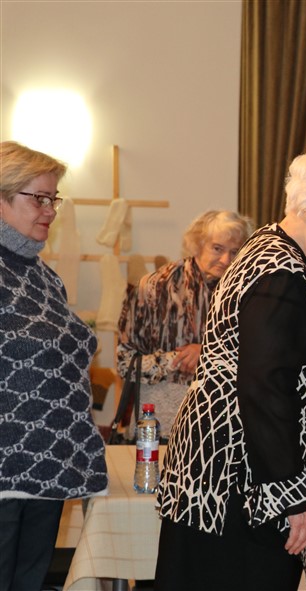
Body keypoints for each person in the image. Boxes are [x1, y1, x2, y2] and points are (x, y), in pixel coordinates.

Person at [155, 143, 306, 591]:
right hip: (240, 486)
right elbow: (264, 388)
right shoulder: (279, 274)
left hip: (237, 478)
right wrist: (295, 498)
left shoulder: (276, 252)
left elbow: (278, 361)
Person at [0, 141, 108, 590]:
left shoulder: (44, 276)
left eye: (53, 199)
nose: (50, 211)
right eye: (38, 198)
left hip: (49, 466)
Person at [116, 209, 253, 439]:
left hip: (222, 429)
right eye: (217, 248)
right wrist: (176, 359)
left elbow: (258, 360)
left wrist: (206, 354)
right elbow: (125, 363)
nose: (226, 260)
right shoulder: (154, 287)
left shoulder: (247, 293)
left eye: (234, 251)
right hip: (160, 425)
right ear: (197, 244)